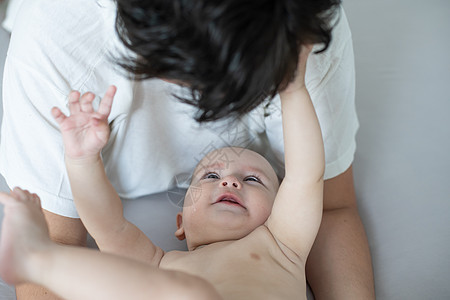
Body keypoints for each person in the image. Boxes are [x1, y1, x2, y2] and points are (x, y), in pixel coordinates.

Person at [0, 0, 375, 298]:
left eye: (253, 180)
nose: (229, 182)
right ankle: (40, 258)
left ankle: (40, 259)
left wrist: (294, 87)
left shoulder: (285, 244)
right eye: (210, 177)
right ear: (179, 223)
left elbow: (307, 175)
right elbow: (106, 225)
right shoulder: (160, 264)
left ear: (283, 209)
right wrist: (81, 160)